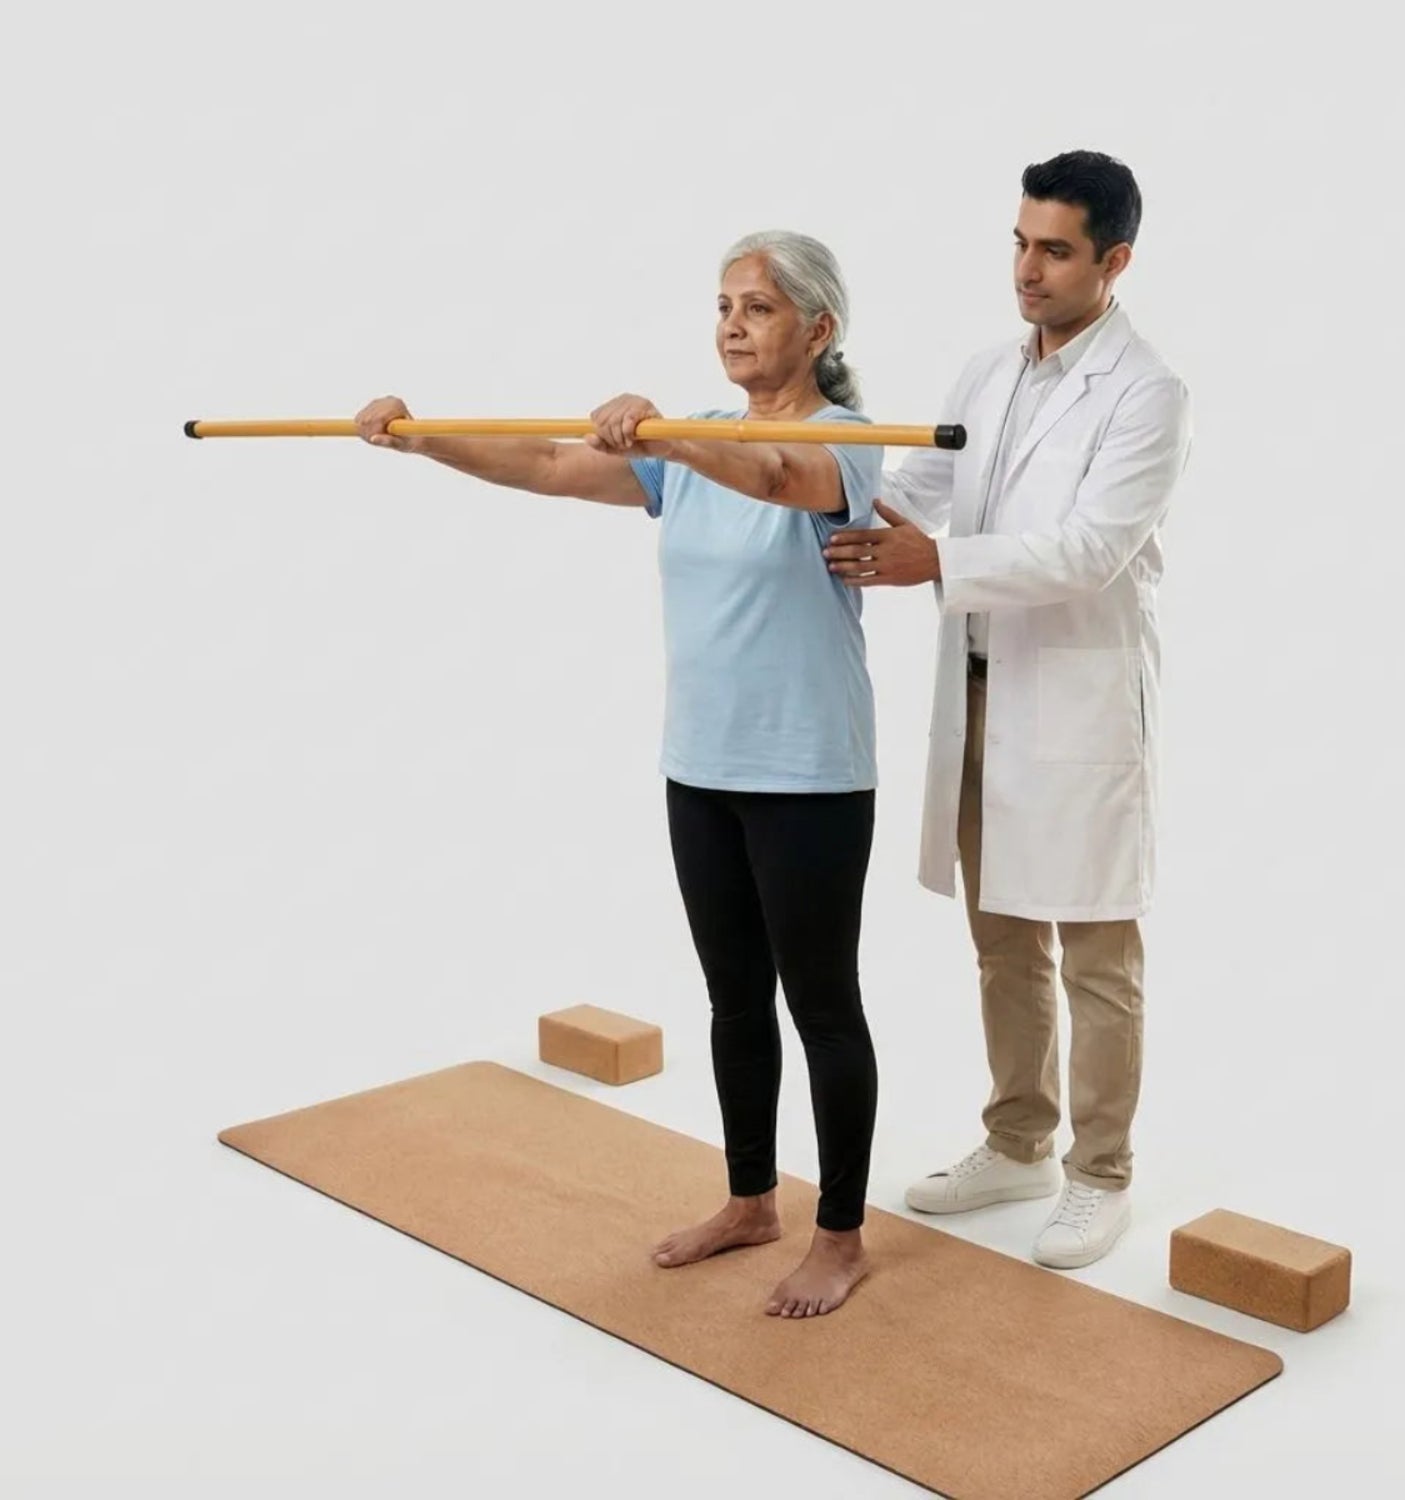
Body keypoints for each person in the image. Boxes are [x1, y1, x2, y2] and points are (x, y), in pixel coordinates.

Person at [355, 230, 883, 1317]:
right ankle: (749, 1201)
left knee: (820, 1008)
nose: (734, 324)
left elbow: (781, 475)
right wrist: (420, 438)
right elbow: (549, 463)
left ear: (818, 330)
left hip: (812, 774)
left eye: (760, 308)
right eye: (725, 305)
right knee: (733, 1000)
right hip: (701, 765)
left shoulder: (849, 438)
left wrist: (678, 442)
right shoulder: (687, 443)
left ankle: (841, 1235)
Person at [822, 151, 1192, 1269]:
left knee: (1094, 953)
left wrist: (933, 558)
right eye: (1020, 243)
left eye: (1056, 250)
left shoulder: (1148, 392)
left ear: (1113, 260)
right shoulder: (988, 373)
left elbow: (1088, 549)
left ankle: (1099, 1174)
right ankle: (1019, 1139)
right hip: (978, 695)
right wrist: (813, 462)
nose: (1028, 269)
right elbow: (920, 492)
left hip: (1075, 703)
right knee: (1002, 940)